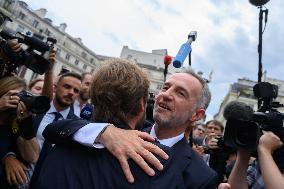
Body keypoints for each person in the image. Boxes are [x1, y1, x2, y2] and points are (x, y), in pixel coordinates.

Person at [35, 58, 218, 189]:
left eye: (180, 93)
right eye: (165, 87)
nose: (166, 94)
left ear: (197, 115)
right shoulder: (111, 128)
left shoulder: (201, 176)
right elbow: (54, 129)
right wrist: (105, 132)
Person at [28, 72, 81, 188]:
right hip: (19, 179)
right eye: (67, 87)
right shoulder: (34, 109)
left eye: (76, 91)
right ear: (55, 88)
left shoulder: (77, 126)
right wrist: (9, 156)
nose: (71, 92)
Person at [0, 76, 39, 189]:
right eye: (13, 95)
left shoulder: (17, 121)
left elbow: (32, 157)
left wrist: (25, 122)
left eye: (21, 96)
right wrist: (8, 157)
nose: (16, 100)